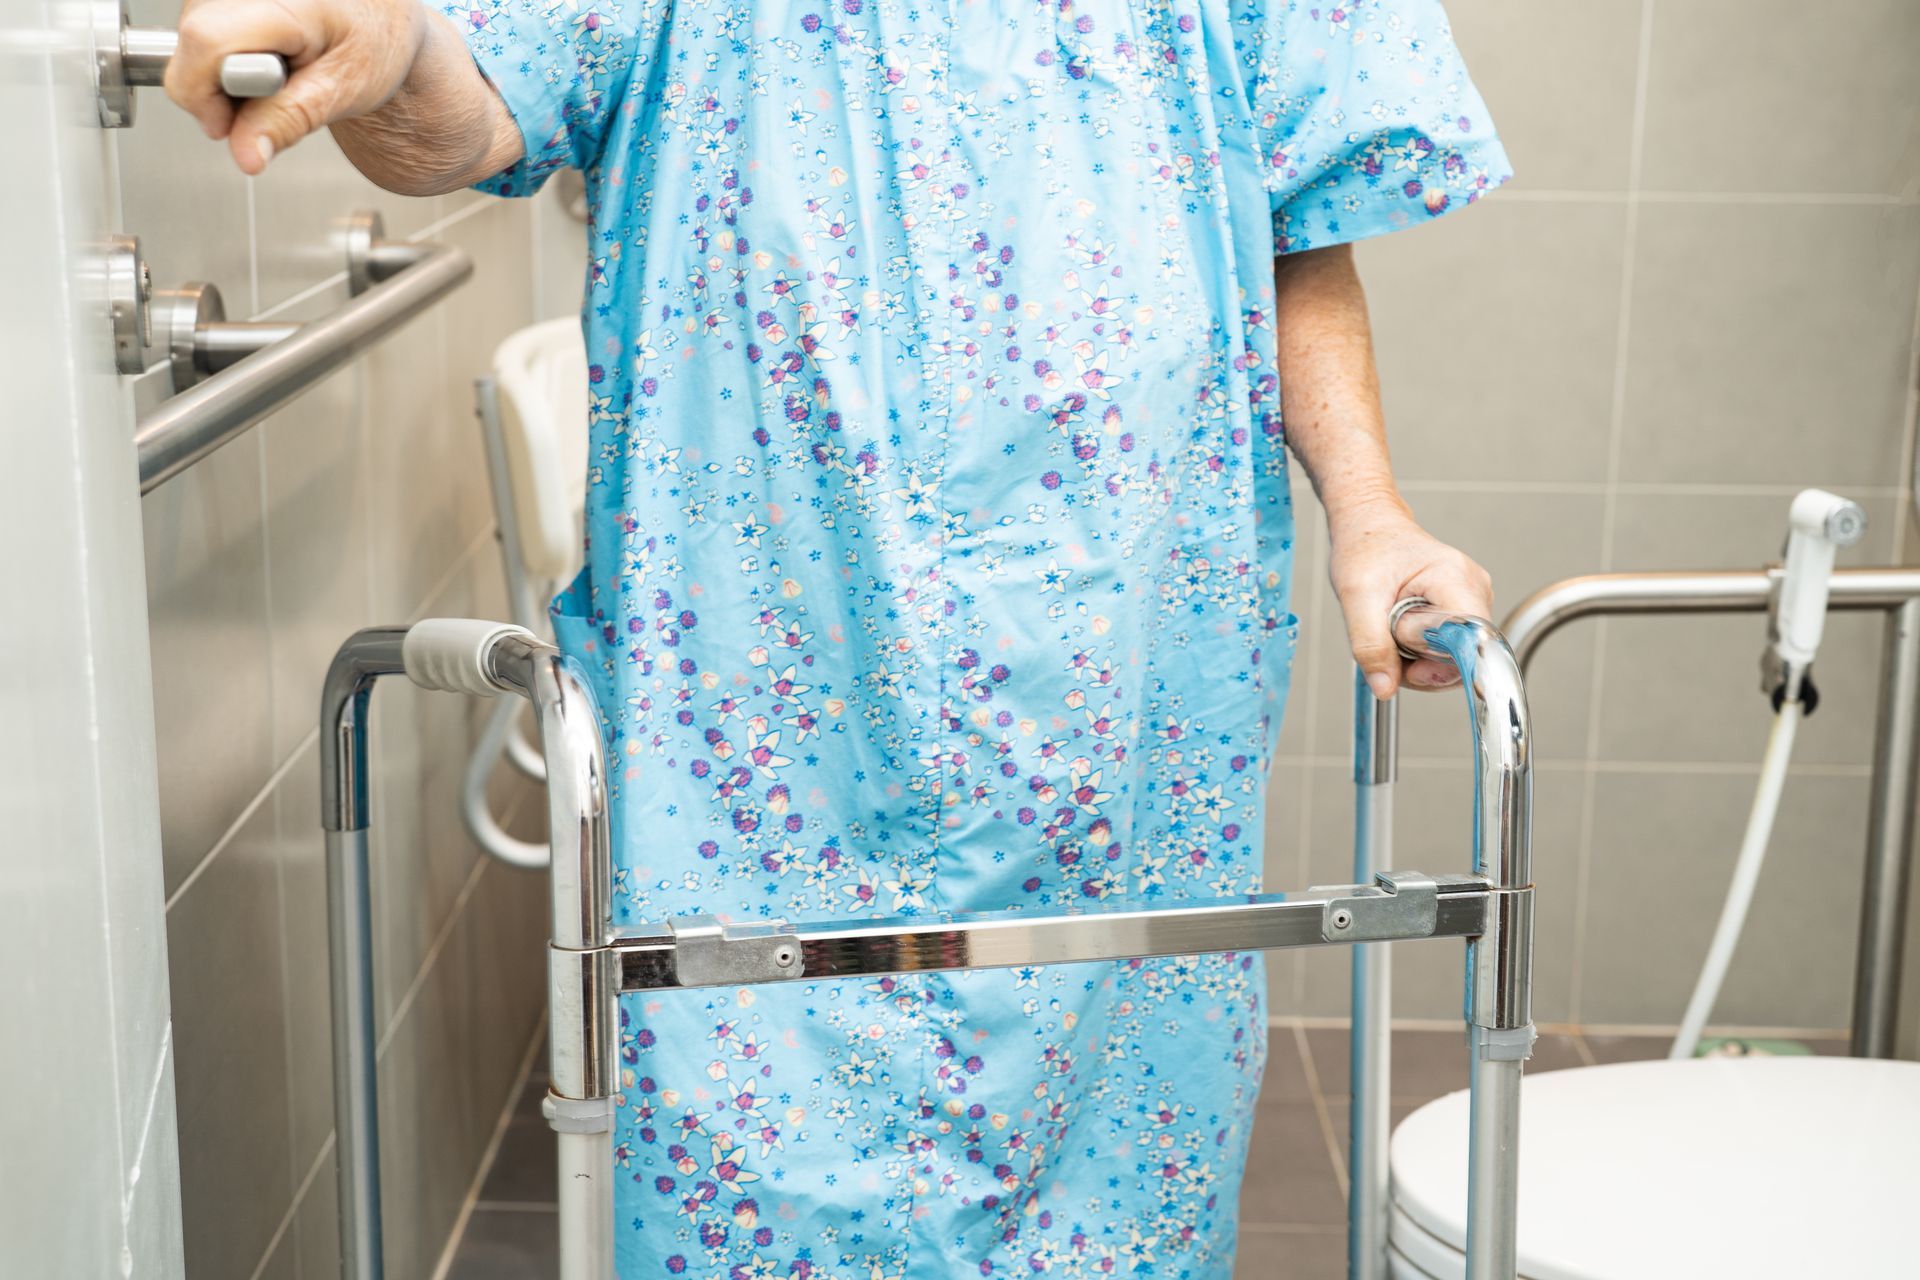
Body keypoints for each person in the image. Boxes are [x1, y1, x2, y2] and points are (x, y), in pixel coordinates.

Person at [169, 1, 1505, 1273]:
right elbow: (462, 116)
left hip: (1123, 699)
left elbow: (1292, 225)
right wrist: (397, 49)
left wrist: (1371, 513)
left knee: (1111, 1183)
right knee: (760, 1170)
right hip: (769, 724)